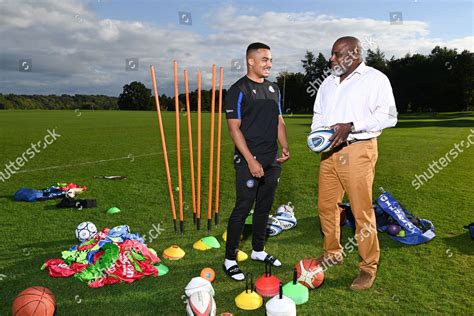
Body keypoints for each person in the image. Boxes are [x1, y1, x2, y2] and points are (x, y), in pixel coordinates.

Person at [311, 36, 397, 290]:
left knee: (361, 212)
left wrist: (352, 126)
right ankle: (331, 253)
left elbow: (388, 115)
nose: (332, 58)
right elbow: (319, 115)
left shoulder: (375, 78)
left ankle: (368, 267)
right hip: (329, 153)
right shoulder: (327, 83)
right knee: (326, 206)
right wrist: (318, 137)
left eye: (337, 54)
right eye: (332, 54)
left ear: (354, 54)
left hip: (358, 148)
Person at [223, 42, 290, 281]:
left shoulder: (273, 89)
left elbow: (279, 121)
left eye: (270, 59)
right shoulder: (238, 89)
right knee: (243, 208)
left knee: (264, 207)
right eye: (264, 59)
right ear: (250, 61)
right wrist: (250, 160)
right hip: (248, 161)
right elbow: (234, 129)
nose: (269, 64)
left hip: (272, 160)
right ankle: (230, 258)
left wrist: (285, 145)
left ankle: (258, 251)